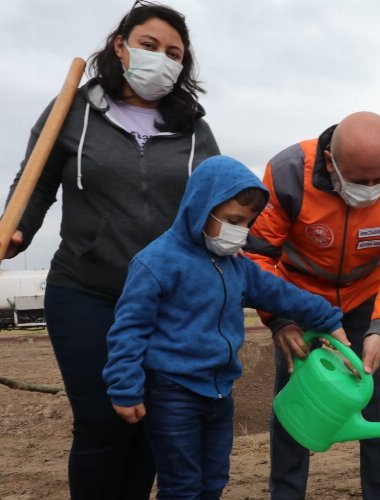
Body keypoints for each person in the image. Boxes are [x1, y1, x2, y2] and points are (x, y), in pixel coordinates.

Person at [2, 3, 219, 498]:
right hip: (85, 290)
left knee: (148, 421)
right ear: (120, 45)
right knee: (102, 422)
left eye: (173, 53)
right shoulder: (70, 110)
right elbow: (34, 186)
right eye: (149, 45)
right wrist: (16, 232)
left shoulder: (192, 128)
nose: (160, 58)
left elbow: (216, 200)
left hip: (166, 301)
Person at [102, 155, 346, 499]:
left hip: (219, 393)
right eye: (233, 220)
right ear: (202, 208)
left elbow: (279, 293)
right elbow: (129, 329)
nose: (240, 231)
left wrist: (326, 318)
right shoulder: (157, 262)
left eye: (247, 223)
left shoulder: (235, 265)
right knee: (182, 486)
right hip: (173, 393)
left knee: (214, 479)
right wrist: (124, 387)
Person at [245, 111, 380, 499]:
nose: (371, 190)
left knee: (375, 398)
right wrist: (280, 319)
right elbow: (257, 257)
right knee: (296, 398)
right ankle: (286, 494)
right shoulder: (289, 172)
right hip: (297, 301)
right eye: (360, 181)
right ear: (331, 163)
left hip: (366, 300)